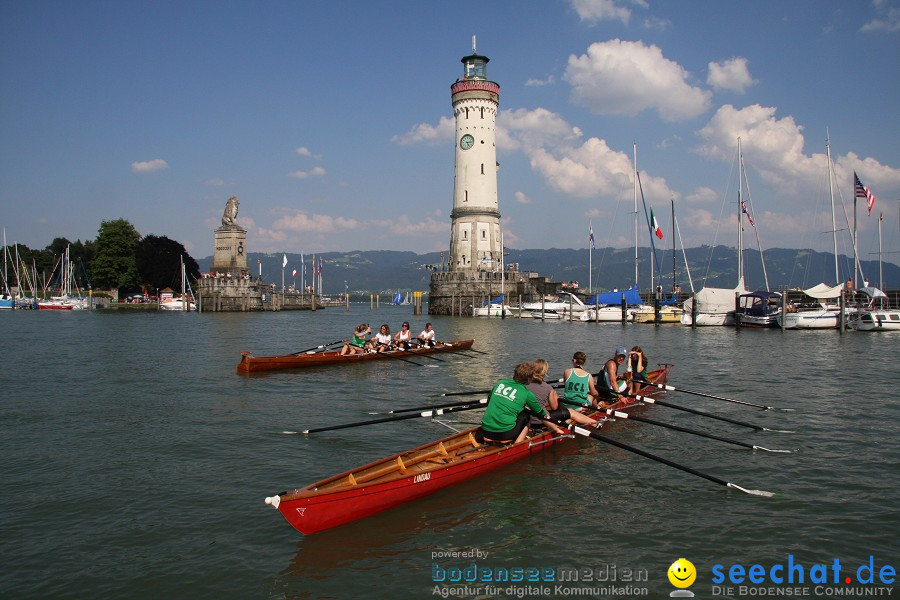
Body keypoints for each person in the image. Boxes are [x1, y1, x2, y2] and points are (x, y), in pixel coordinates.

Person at [480, 363, 553, 444]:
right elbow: (539, 412)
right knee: (526, 416)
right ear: (528, 379)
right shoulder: (527, 393)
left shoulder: (500, 383)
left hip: (485, 431)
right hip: (505, 434)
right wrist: (546, 415)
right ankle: (518, 444)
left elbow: (489, 400)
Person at [528, 359, 598, 427]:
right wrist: (555, 396)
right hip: (541, 421)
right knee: (570, 411)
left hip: (527, 419)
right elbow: (554, 408)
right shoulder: (548, 388)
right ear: (545, 372)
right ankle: (596, 421)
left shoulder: (525, 385)